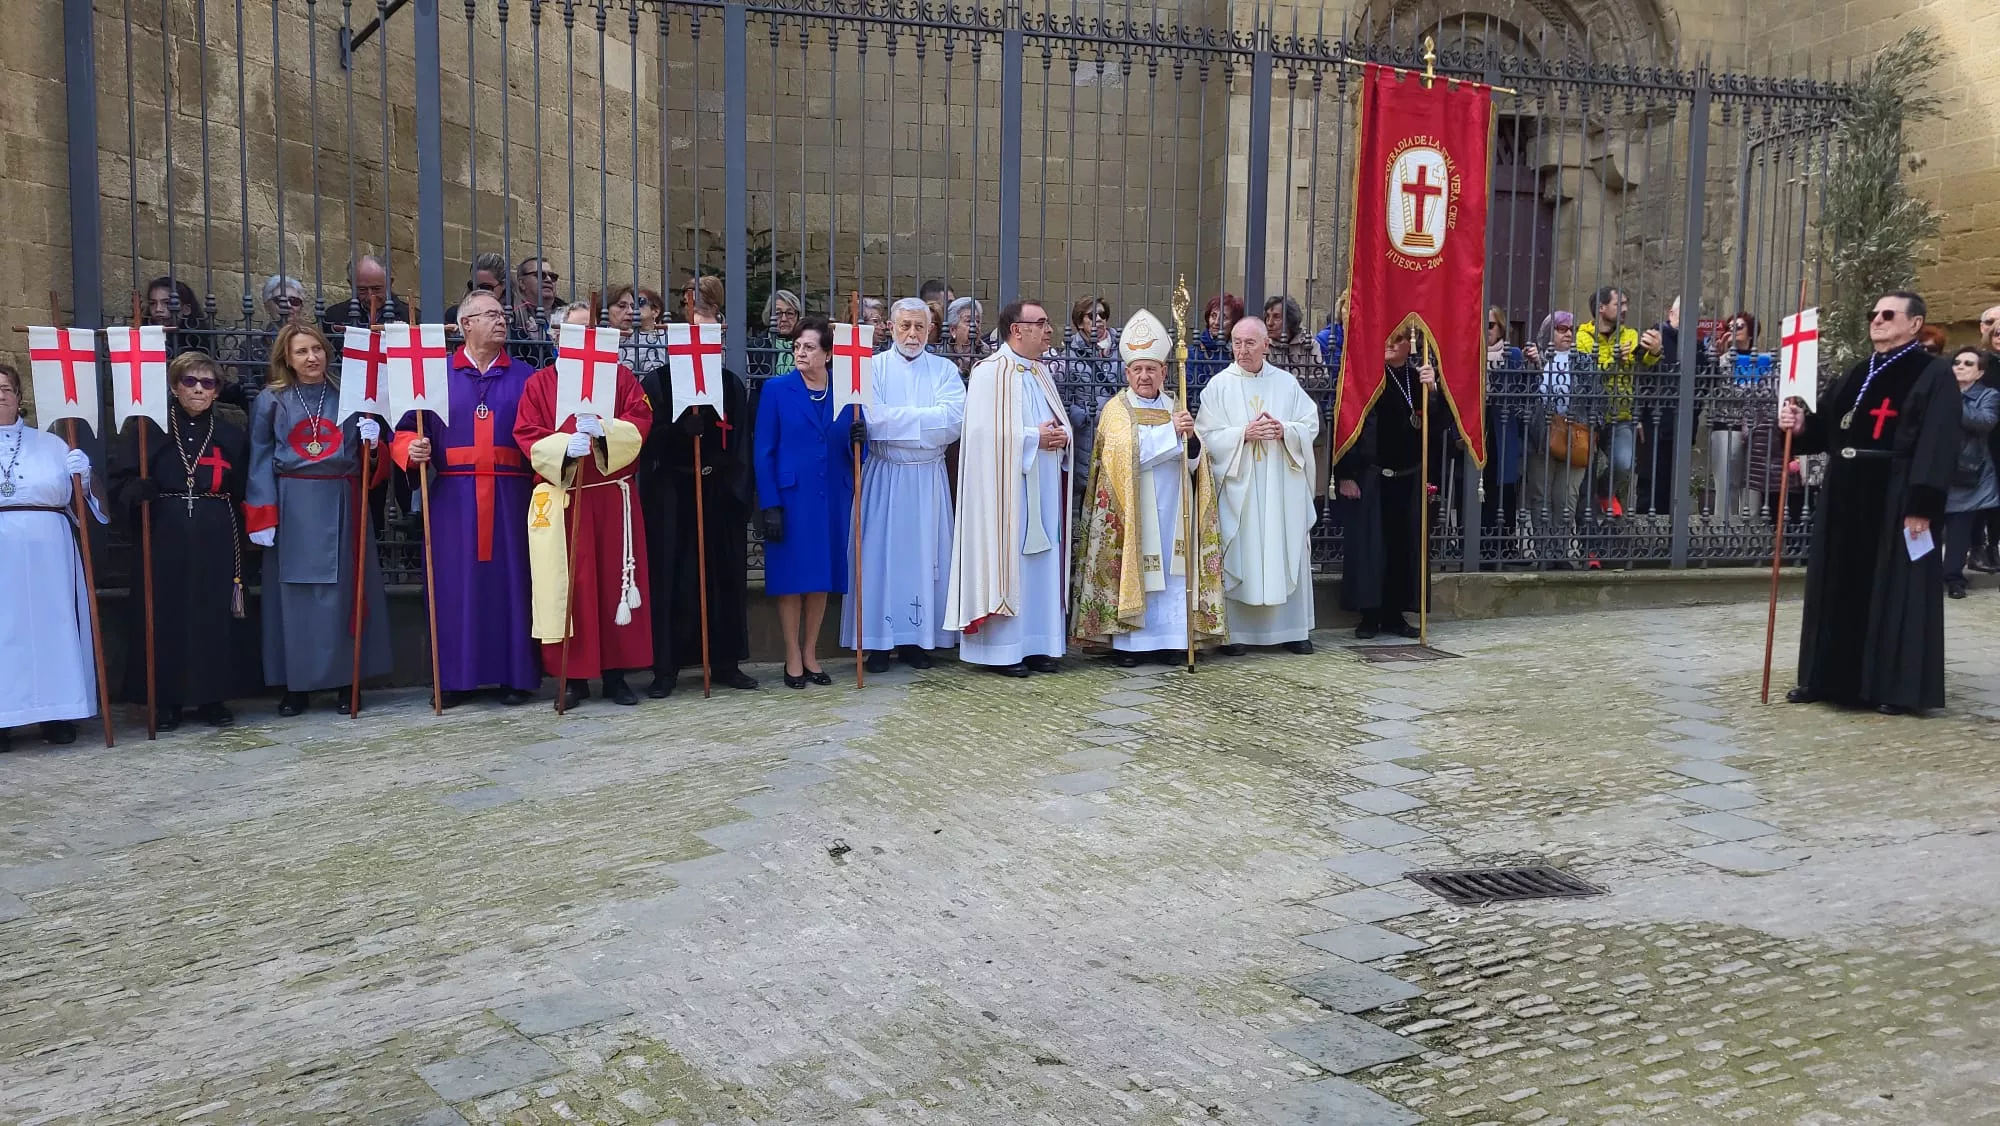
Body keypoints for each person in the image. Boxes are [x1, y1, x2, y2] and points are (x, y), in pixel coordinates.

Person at [1778, 290, 1960, 716]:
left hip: (1895, 493)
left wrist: (1922, 505)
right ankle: (1826, 678)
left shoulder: (1932, 374)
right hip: (1846, 491)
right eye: (1872, 313)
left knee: (1893, 588)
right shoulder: (1858, 371)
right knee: (1835, 583)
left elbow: (1937, 443)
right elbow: (1829, 428)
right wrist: (1800, 424)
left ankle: (1890, 687)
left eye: (1887, 314)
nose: (1876, 320)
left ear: (1914, 324)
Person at [392, 291, 541, 707]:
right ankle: (455, 679)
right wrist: (411, 449)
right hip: (453, 500)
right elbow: (403, 430)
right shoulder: (434, 376)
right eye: (490, 314)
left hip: (512, 496)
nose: (501, 321)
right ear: (465, 325)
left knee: (515, 584)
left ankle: (516, 676)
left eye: (502, 314)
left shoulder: (526, 376)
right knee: (453, 586)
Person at [245, 322, 393, 715]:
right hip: (292, 503)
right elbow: (259, 457)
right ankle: (297, 686)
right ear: (286, 359)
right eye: (301, 352)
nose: (311, 358)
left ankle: (348, 680)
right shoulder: (270, 400)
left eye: (316, 349)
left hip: (339, 498)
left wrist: (372, 443)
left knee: (344, 596)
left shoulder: (349, 395)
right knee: (294, 600)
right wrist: (262, 515)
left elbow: (370, 463)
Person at [515, 301, 655, 708]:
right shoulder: (539, 384)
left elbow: (642, 421)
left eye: (590, 331)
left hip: (612, 498)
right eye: (575, 333)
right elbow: (526, 431)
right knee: (570, 588)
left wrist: (606, 433)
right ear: (557, 338)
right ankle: (573, 678)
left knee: (616, 582)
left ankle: (616, 675)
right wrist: (565, 447)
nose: (585, 341)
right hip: (565, 498)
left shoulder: (621, 378)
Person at [108, 351, 258, 730]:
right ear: (175, 386)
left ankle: (212, 698)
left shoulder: (230, 434)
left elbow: (241, 487)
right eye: (190, 381)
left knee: (213, 615)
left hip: (217, 533)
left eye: (208, 383)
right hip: (164, 534)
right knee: (166, 614)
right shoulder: (149, 431)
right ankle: (167, 701)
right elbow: (119, 481)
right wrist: (134, 491)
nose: (198, 389)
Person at [1072, 309, 1227, 665]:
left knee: (1174, 573)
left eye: (1152, 369)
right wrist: (1170, 432)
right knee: (1138, 567)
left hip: (1174, 505)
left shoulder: (1177, 405)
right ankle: (1131, 645)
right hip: (1133, 512)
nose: (1145, 376)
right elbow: (1122, 459)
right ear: (1127, 373)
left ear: (1164, 372)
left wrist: (1192, 444)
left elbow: (1194, 461)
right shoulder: (1116, 410)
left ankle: (1174, 639)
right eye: (1138, 369)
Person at [636, 276, 759, 695]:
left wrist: (732, 485)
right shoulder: (657, 383)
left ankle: (723, 662)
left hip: (717, 494)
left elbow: (741, 441)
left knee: (722, 581)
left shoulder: (730, 385)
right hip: (673, 495)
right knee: (671, 581)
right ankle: (666, 669)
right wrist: (674, 433)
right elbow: (645, 440)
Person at [947, 299, 1072, 676]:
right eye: (1042, 323)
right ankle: (1001, 651)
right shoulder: (990, 372)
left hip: (1043, 483)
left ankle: (1036, 644)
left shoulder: (1040, 372)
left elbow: (1057, 420)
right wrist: (1035, 437)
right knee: (1009, 560)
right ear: (1017, 329)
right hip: (1005, 492)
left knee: (1040, 561)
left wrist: (1062, 435)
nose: (1049, 330)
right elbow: (982, 437)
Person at [842, 297, 966, 672]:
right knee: (880, 558)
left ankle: (917, 641)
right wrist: (923, 424)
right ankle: (879, 643)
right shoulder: (872, 368)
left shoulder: (944, 370)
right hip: (885, 476)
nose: (912, 334)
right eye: (904, 326)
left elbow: (954, 421)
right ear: (891, 328)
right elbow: (872, 420)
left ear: (931, 329)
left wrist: (900, 425)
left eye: (919, 327)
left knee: (925, 558)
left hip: (928, 477)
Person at [0, 362, 109, 748]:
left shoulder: (51, 444)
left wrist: (85, 474)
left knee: (54, 628)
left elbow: (92, 507)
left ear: (19, 397)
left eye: (6, 388)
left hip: (50, 547)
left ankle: (58, 712)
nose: (0, 394)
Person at [1196, 316, 1319, 653]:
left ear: (1267, 344)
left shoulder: (1287, 384)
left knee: (1285, 544)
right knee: (1241, 550)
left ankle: (1292, 631)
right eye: (1236, 342)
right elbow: (1205, 436)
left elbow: (1309, 425)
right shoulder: (1219, 387)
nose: (1242, 350)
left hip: (1281, 487)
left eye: (1250, 343)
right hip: (1242, 490)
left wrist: (1285, 431)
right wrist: (1242, 435)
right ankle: (1236, 635)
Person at [755, 317, 864, 688]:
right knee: (790, 581)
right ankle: (791, 658)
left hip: (832, 497)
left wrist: (860, 439)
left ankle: (811, 653)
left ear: (829, 355)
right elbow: (763, 451)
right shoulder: (776, 390)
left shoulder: (848, 393)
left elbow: (855, 453)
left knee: (820, 579)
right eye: (797, 346)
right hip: (790, 498)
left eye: (809, 347)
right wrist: (769, 502)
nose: (800, 352)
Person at [1334, 324, 1444, 639]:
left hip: (1408, 476)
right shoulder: (1366, 376)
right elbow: (1347, 423)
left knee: (1403, 547)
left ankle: (1395, 615)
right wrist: (1344, 474)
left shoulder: (1417, 377)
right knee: (1371, 549)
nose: (1389, 344)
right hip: (1372, 473)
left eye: (1397, 339)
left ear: (1410, 343)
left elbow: (1435, 427)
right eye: (1386, 337)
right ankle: (1369, 616)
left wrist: (1433, 391)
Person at [1574, 286, 1662, 514]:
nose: (1625, 309)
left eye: (1626, 304)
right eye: (1619, 304)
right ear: (1601, 308)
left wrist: (1654, 351)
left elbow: (1644, 363)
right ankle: (1589, 528)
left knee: (1624, 463)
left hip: (1621, 414)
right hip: (1591, 415)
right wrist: (1614, 360)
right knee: (1586, 472)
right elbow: (1588, 374)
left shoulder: (1630, 335)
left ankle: (1604, 492)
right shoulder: (1582, 337)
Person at [1523, 311, 1586, 566]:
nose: (1568, 333)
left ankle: (1560, 551)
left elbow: (1595, 395)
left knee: (1566, 498)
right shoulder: (1534, 356)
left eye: (1571, 328)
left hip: (1575, 438)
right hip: (1542, 436)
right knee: (1541, 496)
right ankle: (1543, 552)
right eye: (1561, 329)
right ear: (1549, 332)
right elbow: (1523, 396)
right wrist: (1538, 366)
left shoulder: (1583, 360)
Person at [1941, 347, 1999, 599]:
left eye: (1968, 363)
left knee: (1959, 528)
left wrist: (1953, 401)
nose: (1960, 366)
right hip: (1938, 466)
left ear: (1980, 372)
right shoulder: (1938, 392)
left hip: (1969, 471)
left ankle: (1954, 578)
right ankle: (1925, 576)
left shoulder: (1989, 395)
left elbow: (1984, 422)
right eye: (1956, 362)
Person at [1482, 307, 1527, 559]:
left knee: (1505, 485)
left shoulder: (1513, 354)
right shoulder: (1471, 351)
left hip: (1504, 425)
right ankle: (1479, 544)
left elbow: (1522, 390)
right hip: (1479, 424)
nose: (1486, 330)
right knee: (1479, 484)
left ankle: (1506, 545)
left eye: (1490, 325)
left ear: (1500, 327)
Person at [321, 254, 414, 330]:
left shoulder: (411, 317)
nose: (370, 297)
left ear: (390, 283)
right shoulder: (334, 316)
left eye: (377, 289)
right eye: (362, 290)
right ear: (351, 284)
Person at [1975, 304, 2000, 573]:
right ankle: (1977, 547)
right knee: (1979, 494)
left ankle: (1994, 544)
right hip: (1982, 437)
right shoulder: (1977, 361)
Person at [442, 252, 513, 327]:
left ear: (503, 285)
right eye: (473, 286)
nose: (478, 292)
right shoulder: (454, 315)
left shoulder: (517, 319)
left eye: (486, 287)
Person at [763, 289, 802, 376]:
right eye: (778, 313)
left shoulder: (807, 346)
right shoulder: (757, 346)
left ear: (798, 316)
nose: (784, 319)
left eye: (790, 313)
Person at [945, 296, 985, 377]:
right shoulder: (941, 355)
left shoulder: (989, 355)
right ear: (953, 330)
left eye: (978, 321)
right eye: (968, 321)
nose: (975, 325)